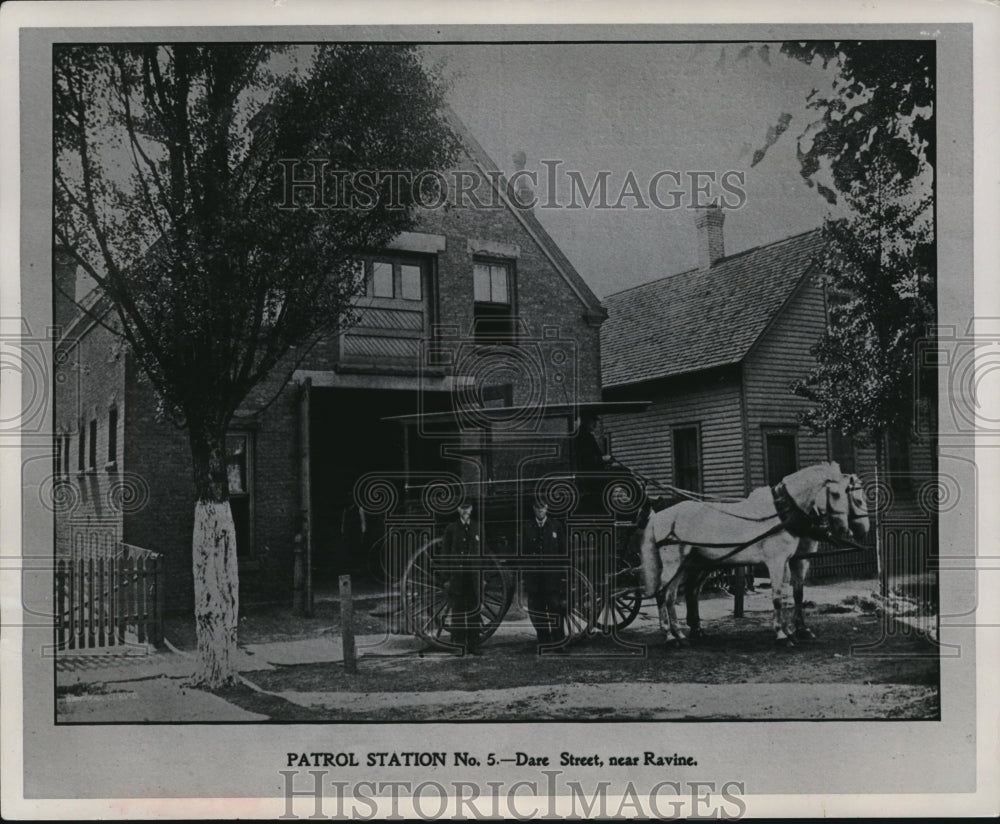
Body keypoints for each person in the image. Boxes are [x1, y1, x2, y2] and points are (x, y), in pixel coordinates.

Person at [521, 500, 568, 652]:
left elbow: (563, 552)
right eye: (537, 508)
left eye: (543, 508)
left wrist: (562, 576)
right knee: (538, 611)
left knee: (556, 609)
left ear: (547, 508)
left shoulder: (556, 526)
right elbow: (522, 554)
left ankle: (559, 642)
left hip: (552, 578)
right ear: (534, 509)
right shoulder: (526, 527)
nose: (540, 511)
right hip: (534, 578)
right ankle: (544, 641)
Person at [440, 500, 483, 655]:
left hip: (473, 577)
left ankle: (474, 644)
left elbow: (485, 553)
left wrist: (483, 576)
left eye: (468, 508)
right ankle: (459, 645)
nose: (465, 511)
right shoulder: (451, 529)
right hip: (457, 577)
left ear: (471, 509)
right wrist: (446, 578)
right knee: (458, 613)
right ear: (458, 510)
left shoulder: (478, 527)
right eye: (462, 508)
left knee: (474, 611)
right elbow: (445, 554)